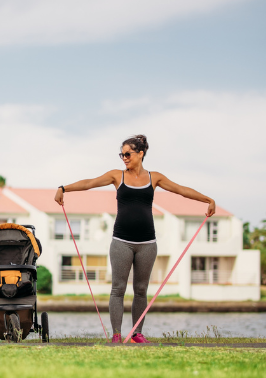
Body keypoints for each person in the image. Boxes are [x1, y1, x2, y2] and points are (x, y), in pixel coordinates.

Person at [54, 135, 215, 343]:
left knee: (140, 290)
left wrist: (208, 200)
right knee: (118, 289)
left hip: (147, 244)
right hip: (121, 241)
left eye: (127, 154)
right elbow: (89, 183)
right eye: (121, 154)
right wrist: (63, 188)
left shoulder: (154, 178)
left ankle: (137, 334)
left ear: (140, 153)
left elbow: (181, 190)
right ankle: (116, 335)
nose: (124, 158)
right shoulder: (117, 176)